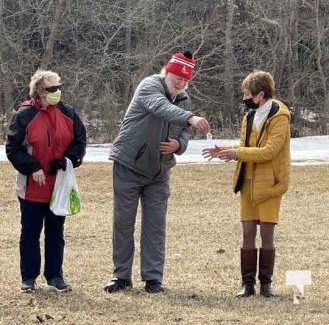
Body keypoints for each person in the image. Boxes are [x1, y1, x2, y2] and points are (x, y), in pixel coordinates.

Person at [104, 51, 210, 294]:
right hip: (129, 164)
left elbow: (183, 132)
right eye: (177, 78)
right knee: (123, 222)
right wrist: (190, 118)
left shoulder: (184, 99)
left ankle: (153, 278)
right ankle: (120, 276)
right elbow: (160, 107)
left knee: (155, 226)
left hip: (159, 172)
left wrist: (179, 145)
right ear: (167, 73)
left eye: (185, 80)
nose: (181, 83)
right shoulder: (149, 86)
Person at [202, 70, 290, 298]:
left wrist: (237, 153)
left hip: (269, 182)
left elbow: (269, 151)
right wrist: (222, 150)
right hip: (247, 182)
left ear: (261, 94)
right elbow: (245, 146)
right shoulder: (249, 117)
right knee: (248, 233)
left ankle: (266, 284)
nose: (244, 98)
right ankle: (247, 284)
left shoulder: (280, 116)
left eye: (247, 94)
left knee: (267, 234)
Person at [6, 69, 86, 293]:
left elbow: (80, 140)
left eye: (59, 87)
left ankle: (55, 276)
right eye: (52, 88)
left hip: (58, 186)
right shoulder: (24, 116)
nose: (57, 92)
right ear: (39, 91)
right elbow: (13, 148)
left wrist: (68, 160)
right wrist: (33, 168)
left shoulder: (68, 113)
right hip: (31, 188)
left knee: (55, 232)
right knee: (30, 232)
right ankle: (28, 278)